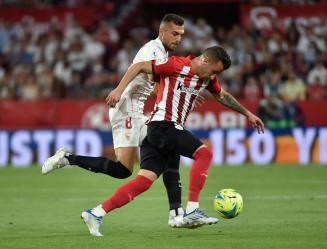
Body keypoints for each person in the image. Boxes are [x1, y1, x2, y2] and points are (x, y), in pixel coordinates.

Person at [42, 13, 215, 228]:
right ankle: (67, 158)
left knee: (170, 148)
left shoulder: (162, 52)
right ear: (162, 32)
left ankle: (176, 213)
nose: (178, 38)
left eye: (181, 34)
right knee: (123, 169)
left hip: (139, 109)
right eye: (174, 33)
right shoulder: (153, 50)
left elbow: (155, 87)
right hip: (127, 108)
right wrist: (119, 89)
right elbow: (152, 81)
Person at [80, 46, 264, 236]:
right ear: (205, 60)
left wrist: (248, 113)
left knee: (144, 180)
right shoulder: (176, 64)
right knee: (204, 153)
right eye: (215, 71)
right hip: (163, 125)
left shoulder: (207, 78)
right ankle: (192, 210)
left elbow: (222, 96)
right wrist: (119, 90)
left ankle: (96, 213)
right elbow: (140, 66)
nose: (214, 76)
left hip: (158, 131)